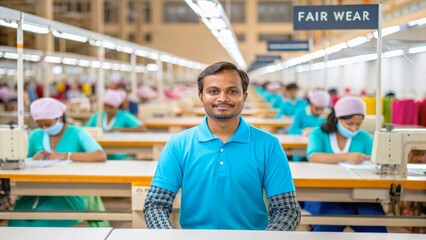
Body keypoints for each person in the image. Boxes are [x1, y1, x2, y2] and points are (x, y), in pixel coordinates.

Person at [143, 61, 301, 230]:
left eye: (232, 91)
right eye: (213, 91)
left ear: (244, 96)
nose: (222, 98)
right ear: (201, 96)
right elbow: (155, 205)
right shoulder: (178, 145)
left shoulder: (269, 145)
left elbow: (287, 209)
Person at [8, 97, 107, 227]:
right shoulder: (35, 135)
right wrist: (32, 159)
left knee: (44, 222)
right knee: (18, 222)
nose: (44, 128)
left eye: (48, 124)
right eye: (40, 125)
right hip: (36, 192)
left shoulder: (77, 133)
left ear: (59, 117)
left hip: (67, 193)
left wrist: (65, 155)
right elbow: (22, 161)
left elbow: (100, 155)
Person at [304, 96, 387, 232]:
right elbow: (313, 156)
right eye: (349, 124)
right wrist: (347, 156)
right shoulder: (318, 134)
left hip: (361, 194)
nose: (354, 128)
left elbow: (376, 160)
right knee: (327, 224)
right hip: (325, 193)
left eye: (358, 124)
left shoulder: (364, 137)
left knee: (375, 224)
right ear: (337, 118)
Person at [86, 89, 147, 160]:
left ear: (117, 106)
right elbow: (86, 129)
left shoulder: (124, 116)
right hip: (100, 150)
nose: (108, 109)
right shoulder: (98, 116)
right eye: (106, 106)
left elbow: (143, 128)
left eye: (111, 107)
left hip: (121, 154)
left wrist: (121, 130)